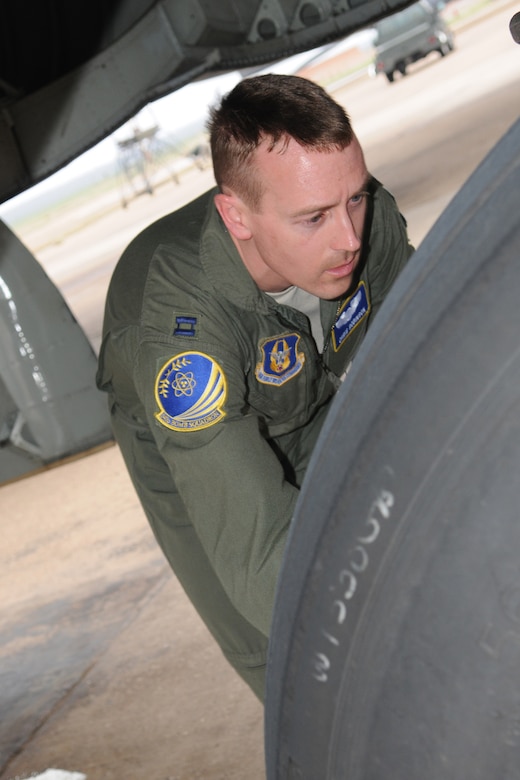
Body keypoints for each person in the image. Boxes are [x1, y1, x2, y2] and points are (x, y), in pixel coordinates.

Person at [96, 73, 414, 702]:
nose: (349, 237)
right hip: (195, 451)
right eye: (314, 216)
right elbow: (260, 545)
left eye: (355, 197)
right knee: (299, 665)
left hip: (311, 393)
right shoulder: (180, 337)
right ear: (236, 216)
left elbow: (430, 354)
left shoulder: (362, 225)